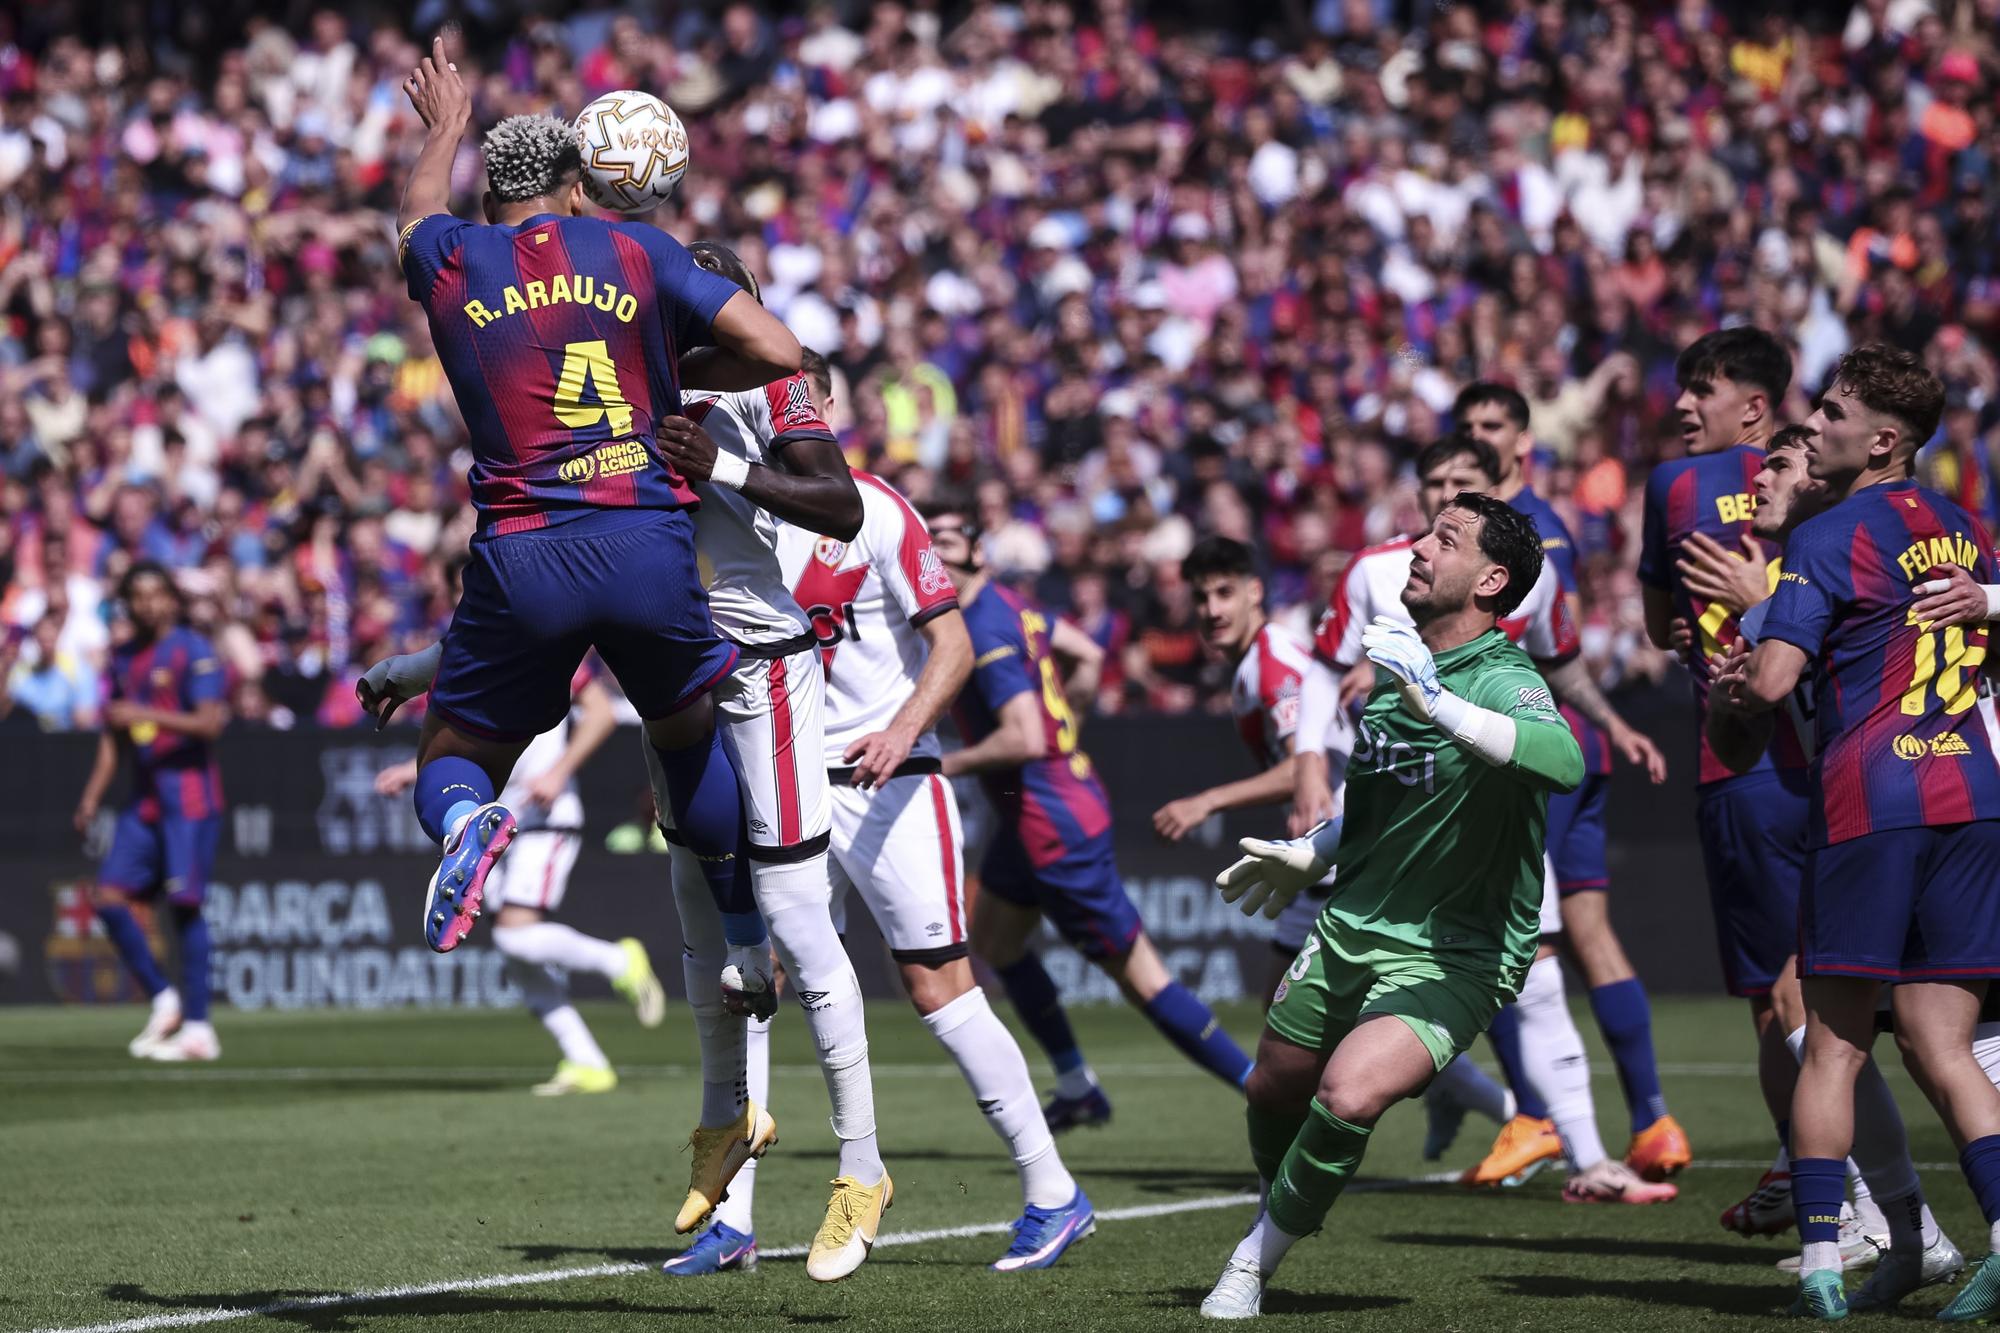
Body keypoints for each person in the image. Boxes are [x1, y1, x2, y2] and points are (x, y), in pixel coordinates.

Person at [385, 46, 797, 991]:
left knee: (452, 759)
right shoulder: (636, 250)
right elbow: (778, 351)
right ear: (578, 189)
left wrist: (444, 125)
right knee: (687, 734)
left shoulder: (451, 259)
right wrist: (665, 370)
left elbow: (414, 216)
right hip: (645, 541)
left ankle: (465, 823)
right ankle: (745, 945)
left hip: (523, 553)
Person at [669, 363, 1089, 1276]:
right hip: (786, 781)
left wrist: (905, 730)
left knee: (939, 985)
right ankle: (733, 1218)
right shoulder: (733, 514)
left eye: (805, 397)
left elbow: (955, 640)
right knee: (759, 979)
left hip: (887, 780)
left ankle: (1052, 1189)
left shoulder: (877, 510)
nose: (789, 413)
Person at [1196, 492, 1583, 1320]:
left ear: (1491, 579)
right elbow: (1371, 806)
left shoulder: (1507, 677)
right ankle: (1282, 1202)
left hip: (1458, 951)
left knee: (1345, 1096)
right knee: (1271, 1088)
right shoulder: (1397, 666)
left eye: (1445, 539)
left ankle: (1253, 1259)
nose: (1419, 548)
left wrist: (1436, 702)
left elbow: (1561, 760)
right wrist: (1312, 854)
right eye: (1424, 532)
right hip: (1350, 926)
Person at [1299, 435, 1671, 1203]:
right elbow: (1326, 669)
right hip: (1395, 802)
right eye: (1432, 484)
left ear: (1496, 477)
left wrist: (1611, 723)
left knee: (1531, 965)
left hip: (1496, 791)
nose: (1443, 492)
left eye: (1459, 483)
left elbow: (1557, 666)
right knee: (1337, 1018)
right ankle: (1478, 1097)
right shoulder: (1374, 568)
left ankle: (1579, 1146)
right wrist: (1312, 773)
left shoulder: (1523, 569)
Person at [1717, 343, 2000, 1321]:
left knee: (1830, 1042)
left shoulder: (1831, 534)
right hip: (1967, 791)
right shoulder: (1967, 530)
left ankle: (1823, 1264)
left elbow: (1774, 681)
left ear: (1882, 439)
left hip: (1869, 797)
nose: (1813, 424)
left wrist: (1732, 681)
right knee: (1941, 1039)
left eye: (1830, 412)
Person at [926, 496, 1254, 1129]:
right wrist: (1064, 719)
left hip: (1053, 823)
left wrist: (942, 764)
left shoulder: (985, 630)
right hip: (1033, 814)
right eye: (928, 537)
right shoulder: (1012, 608)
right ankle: (1077, 1084)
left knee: (1144, 979)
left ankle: (1260, 1088)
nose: (935, 547)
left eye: (948, 536)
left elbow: (1023, 738)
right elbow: (1085, 653)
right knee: (994, 941)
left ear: (977, 550)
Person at [1454, 381, 1686, 1182]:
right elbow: (1565, 648)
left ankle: (1536, 1115)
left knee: (1518, 941)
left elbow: (1542, 656)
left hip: (1536, 754)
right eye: (1468, 426)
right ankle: (1652, 1119)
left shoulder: (1526, 537)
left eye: (1493, 426)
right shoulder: (1523, 528)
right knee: (1587, 935)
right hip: (1578, 740)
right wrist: (1617, 725)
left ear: (1523, 440)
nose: (1479, 438)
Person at [1638, 327, 1813, 1235]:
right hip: (1846, 755)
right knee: (1806, 994)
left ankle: (1843, 1189)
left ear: (1753, 404)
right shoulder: (1837, 484)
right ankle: (1814, 1174)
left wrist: (1708, 633)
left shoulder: (1675, 485)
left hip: (1744, 760)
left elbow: (1658, 620)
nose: (1680, 405)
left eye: (1700, 389)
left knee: (1779, 996)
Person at [374, 661, 665, 1095]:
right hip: (494, 824)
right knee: (515, 955)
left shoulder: (544, 639)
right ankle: (586, 1061)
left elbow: (601, 711)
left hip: (545, 818)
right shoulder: (475, 649)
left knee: (515, 936)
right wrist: (415, 770)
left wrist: (559, 771)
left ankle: (619, 961)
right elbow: (473, 745)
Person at [1152, 536, 1350, 986]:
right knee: (1291, 1024)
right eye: (1201, 597)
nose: (1212, 610)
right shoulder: (1256, 659)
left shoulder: (1271, 660)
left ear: (1254, 592)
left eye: (1225, 593)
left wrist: (1206, 802)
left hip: (1343, 855)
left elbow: (1304, 765)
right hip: (1323, 855)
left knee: (1323, 1030)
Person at [71, 561, 228, 1062]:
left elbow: (210, 723)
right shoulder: (122, 658)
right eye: (137, 595)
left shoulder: (192, 649)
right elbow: (113, 734)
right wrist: (92, 795)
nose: (147, 603)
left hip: (189, 797)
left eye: (156, 593)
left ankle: (200, 1029)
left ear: (171, 599)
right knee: (108, 896)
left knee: (184, 906)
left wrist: (146, 714)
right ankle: (165, 999)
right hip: (145, 800)